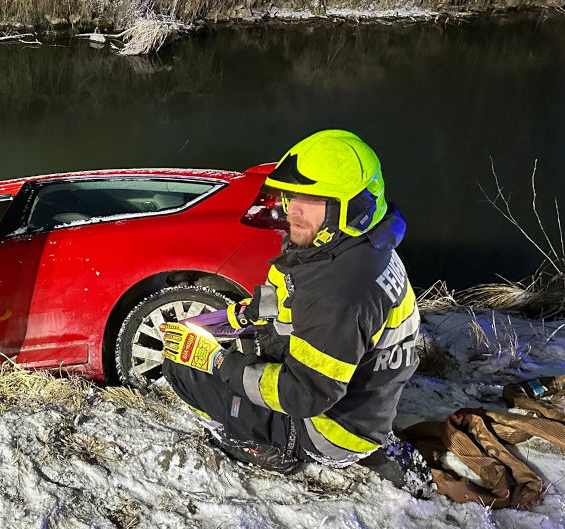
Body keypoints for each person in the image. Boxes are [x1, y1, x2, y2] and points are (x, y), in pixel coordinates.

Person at [161, 129, 421, 477]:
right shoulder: (357, 246)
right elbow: (295, 296)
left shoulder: (339, 292)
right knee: (246, 353)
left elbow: (305, 396)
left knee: (183, 369)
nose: (292, 210)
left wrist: (219, 361)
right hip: (365, 406)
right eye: (290, 196)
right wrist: (243, 316)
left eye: (311, 200)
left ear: (352, 207)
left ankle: (266, 447)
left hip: (328, 430)